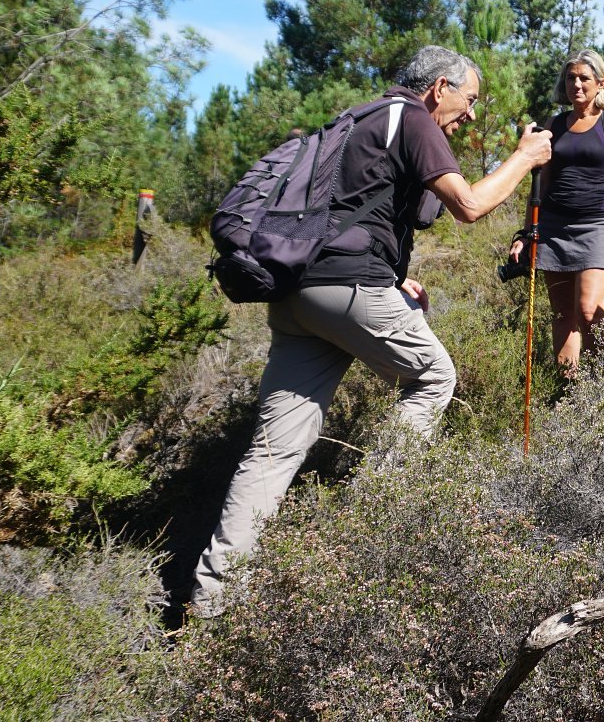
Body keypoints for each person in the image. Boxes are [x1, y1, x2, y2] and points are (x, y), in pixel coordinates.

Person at [189, 45, 552, 618]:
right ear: (440, 87)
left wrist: (394, 277)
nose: (472, 114)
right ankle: (366, 528)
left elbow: (370, 209)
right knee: (434, 377)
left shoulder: (359, 118)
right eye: (470, 100)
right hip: (347, 288)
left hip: (297, 295)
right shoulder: (410, 116)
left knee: (273, 451)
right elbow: (469, 205)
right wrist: (526, 156)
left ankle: (211, 604)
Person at [508, 50, 604, 377]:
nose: (577, 85)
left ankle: (602, 384)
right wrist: (527, 234)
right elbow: (541, 185)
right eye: (571, 78)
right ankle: (568, 392)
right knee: (563, 316)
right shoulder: (554, 125)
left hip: (599, 225)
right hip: (554, 228)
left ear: (601, 83)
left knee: (587, 311)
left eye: (584, 78)